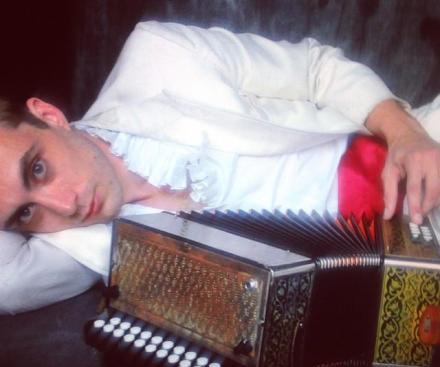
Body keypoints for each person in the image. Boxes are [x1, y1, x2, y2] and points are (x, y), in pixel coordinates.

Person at [1, 20, 440, 314]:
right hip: (388, 285)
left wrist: (406, 134)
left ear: (49, 115)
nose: (67, 205)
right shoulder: (80, 245)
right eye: (25, 213)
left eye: (37, 169)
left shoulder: (158, 55)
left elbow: (315, 70)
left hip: (405, 160)